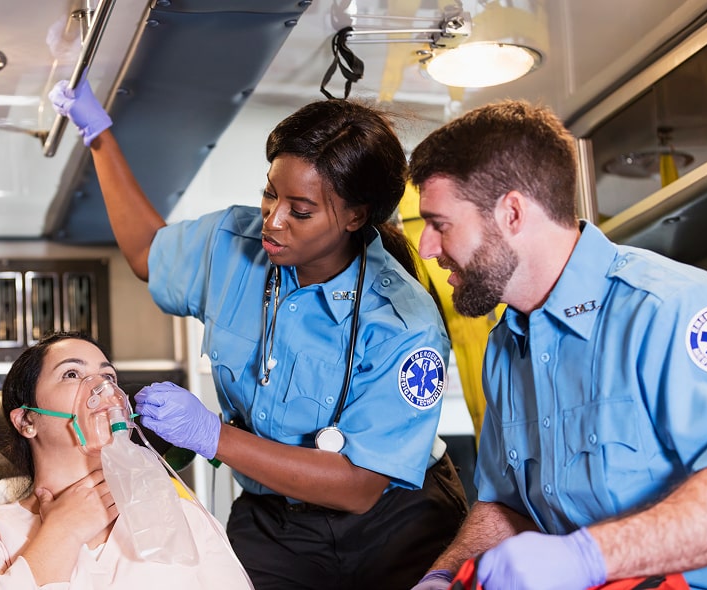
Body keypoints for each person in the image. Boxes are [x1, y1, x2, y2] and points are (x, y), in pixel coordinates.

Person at [49, 81, 469, 589]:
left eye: (301, 209)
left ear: (356, 216)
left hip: (395, 522)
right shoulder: (232, 245)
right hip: (274, 520)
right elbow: (146, 253)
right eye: (270, 192)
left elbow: (359, 485)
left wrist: (211, 435)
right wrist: (99, 136)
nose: (272, 220)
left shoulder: (405, 324)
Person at [407, 99, 707, 590]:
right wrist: (445, 575)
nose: (428, 248)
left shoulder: (670, 309)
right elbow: (506, 505)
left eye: (440, 224)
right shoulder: (504, 347)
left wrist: (586, 556)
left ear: (511, 213)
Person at [0, 332, 251, 589]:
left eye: (109, 377)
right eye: (71, 374)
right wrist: (64, 532)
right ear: (27, 421)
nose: (103, 390)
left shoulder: (179, 517)